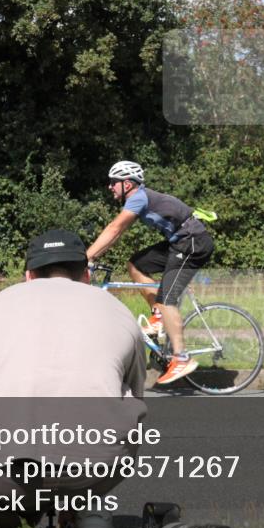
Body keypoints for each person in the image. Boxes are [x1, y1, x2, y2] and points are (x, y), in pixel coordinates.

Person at [0, 229, 147, 528]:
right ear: (85, 275)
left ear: (28, 276)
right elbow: (135, 392)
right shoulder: (118, 311)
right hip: (98, 465)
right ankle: (88, 513)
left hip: (7, 468)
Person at [87, 160, 215, 385]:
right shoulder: (139, 198)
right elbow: (116, 234)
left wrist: (86, 257)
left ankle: (181, 358)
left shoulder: (138, 197)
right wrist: (93, 256)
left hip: (193, 243)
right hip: (180, 242)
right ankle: (158, 316)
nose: (110, 187)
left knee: (167, 299)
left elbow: (114, 228)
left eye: (113, 183)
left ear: (127, 184)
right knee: (136, 265)